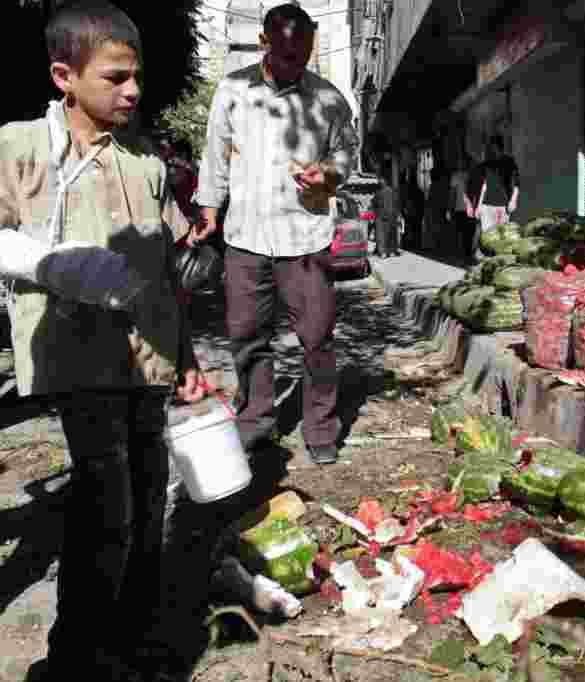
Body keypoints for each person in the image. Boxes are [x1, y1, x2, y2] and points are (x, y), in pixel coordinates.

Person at [0, 2, 205, 678]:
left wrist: (189, 357)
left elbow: (171, 264)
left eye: (136, 76)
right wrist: (44, 263)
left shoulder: (145, 159)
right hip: (77, 359)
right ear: (64, 75)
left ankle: (135, 635)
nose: (134, 91)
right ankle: (77, 658)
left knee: (152, 502)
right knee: (105, 506)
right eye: (116, 77)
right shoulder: (20, 147)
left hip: (149, 362)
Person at [192, 3, 357, 465]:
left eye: (302, 55)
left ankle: (321, 429)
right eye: (285, 55)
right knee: (246, 335)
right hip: (245, 237)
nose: (294, 64)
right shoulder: (234, 89)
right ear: (265, 44)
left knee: (318, 339)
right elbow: (216, 153)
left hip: (305, 238)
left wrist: (329, 175)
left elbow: (346, 151)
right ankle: (256, 421)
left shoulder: (327, 99)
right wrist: (209, 208)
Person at [469, 135, 520, 258]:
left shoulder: (509, 162)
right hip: (487, 206)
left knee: (502, 237)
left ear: (496, 146)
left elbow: (516, 183)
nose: (489, 149)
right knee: (488, 237)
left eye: (490, 146)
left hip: (503, 206)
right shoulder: (487, 164)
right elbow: (484, 186)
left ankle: (499, 260)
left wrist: (513, 200)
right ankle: (488, 261)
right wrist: (479, 206)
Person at [449, 154, 476, 261]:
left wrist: (449, 208)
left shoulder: (457, 176)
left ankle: (465, 254)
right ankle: (466, 254)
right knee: (467, 233)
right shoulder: (470, 175)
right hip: (464, 208)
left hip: (462, 208)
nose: (460, 164)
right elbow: (452, 194)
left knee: (464, 233)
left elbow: (452, 193)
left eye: (462, 162)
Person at [372, 163, 401, 258]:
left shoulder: (378, 193)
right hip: (392, 215)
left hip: (381, 216)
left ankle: (383, 252)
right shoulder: (392, 191)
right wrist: (397, 214)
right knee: (391, 234)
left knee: (381, 235)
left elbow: (374, 204)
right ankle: (392, 251)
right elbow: (397, 203)